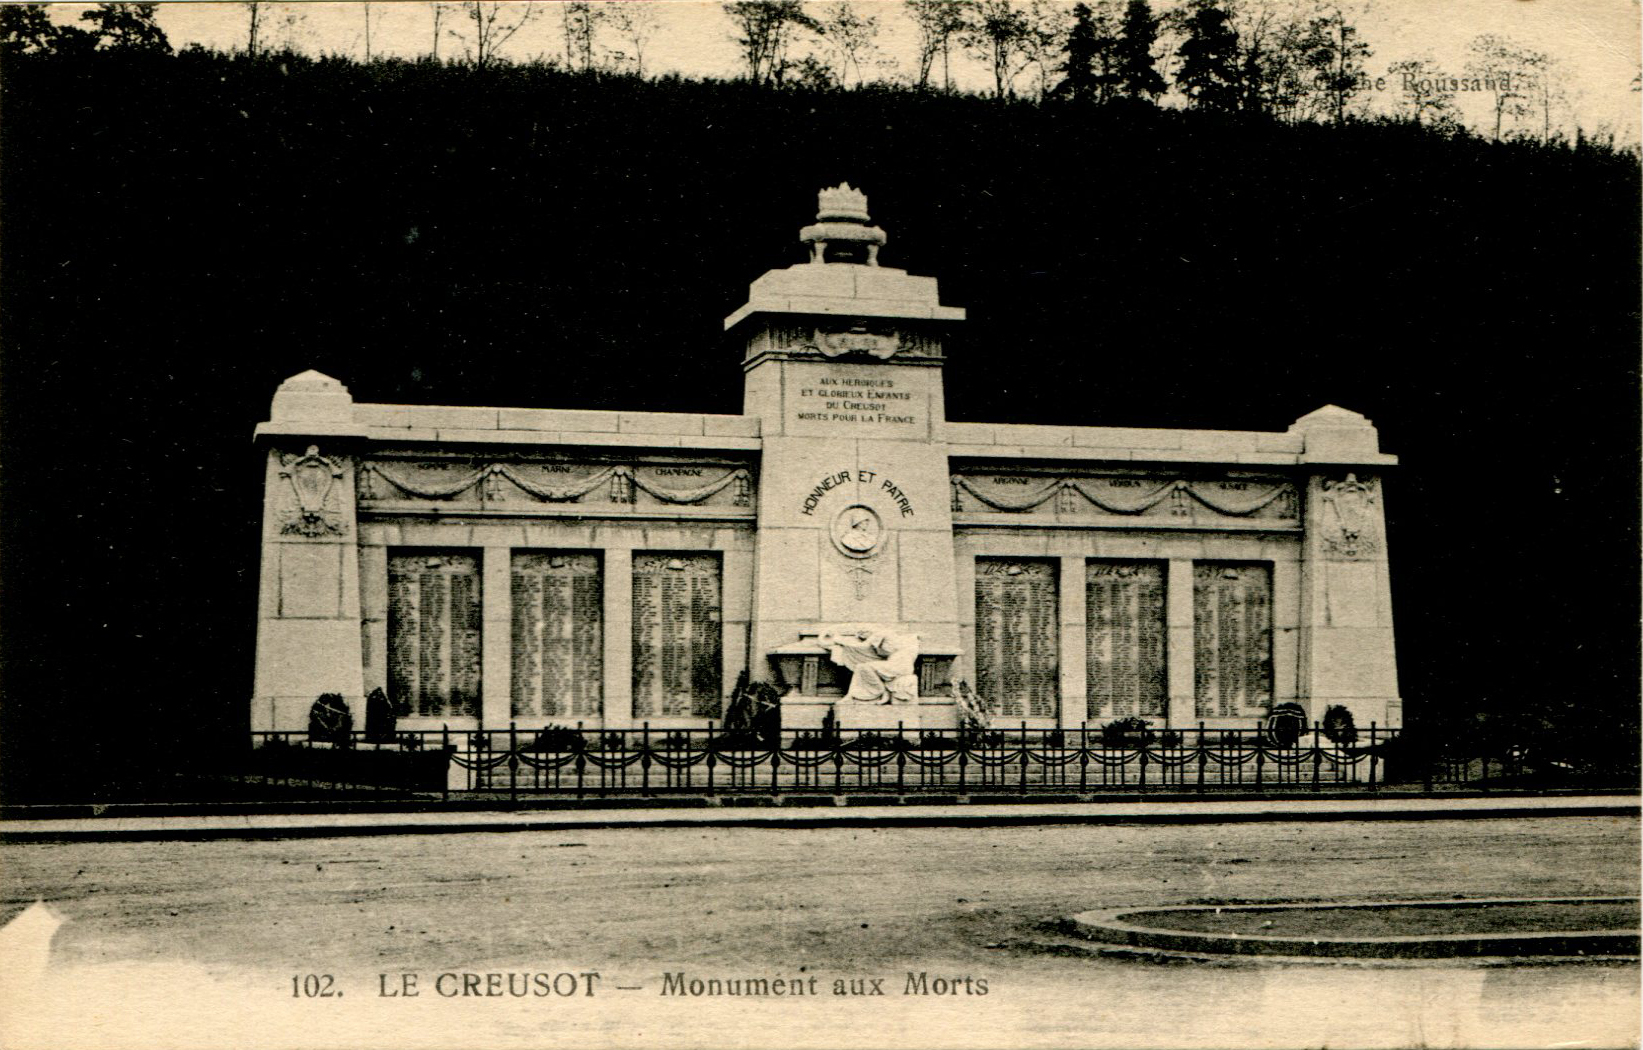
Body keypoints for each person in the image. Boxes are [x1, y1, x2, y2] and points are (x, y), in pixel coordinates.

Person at [817, 624, 920, 704]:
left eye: (862, 635)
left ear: (867, 631)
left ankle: (875, 691)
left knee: (862, 667)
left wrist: (837, 639)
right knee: (864, 667)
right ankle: (882, 692)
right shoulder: (896, 638)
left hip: (897, 666)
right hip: (903, 666)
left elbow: (862, 646)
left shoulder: (881, 633)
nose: (862, 637)